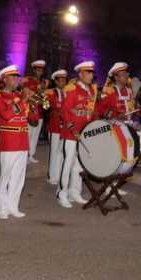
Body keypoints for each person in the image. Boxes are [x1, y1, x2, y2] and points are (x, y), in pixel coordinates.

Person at [0, 65, 39, 219]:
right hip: (8, 142)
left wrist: (33, 105)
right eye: (12, 77)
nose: (16, 79)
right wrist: (23, 100)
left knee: (19, 177)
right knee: (5, 176)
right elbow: (6, 115)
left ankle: (13, 205)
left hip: (22, 141)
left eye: (17, 77)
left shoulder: (19, 96)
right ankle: (1, 207)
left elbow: (33, 120)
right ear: (4, 79)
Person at [57, 61, 97, 208]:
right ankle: (62, 194)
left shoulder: (91, 90)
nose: (91, 75)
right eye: (88, 73)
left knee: (79, 165)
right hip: (71, 133)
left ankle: (75, 192)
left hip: (85, 132)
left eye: (92, 73)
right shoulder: (71, 88)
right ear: (80, 74)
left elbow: (91, 112)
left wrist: (93, 128)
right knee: (67, 164)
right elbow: (65, 112)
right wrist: (73, 129)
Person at [21, 60, 49, 164]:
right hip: (30, 111)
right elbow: (25, 94)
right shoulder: (27, 80)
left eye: (41, 70)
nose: (39, 72)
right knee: (28, 134)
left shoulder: (45, 82)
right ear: (33, 70)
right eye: (37, 70)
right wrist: (37, 98)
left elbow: (45, 97)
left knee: (35, 135)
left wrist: (43, 97)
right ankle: (25, 155)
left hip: (40, 112)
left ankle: (31, 155)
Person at [46, 69, 67, 185]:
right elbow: (49, 107)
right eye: (61, 80)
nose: (63, 82)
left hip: (64, 127)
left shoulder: (67, 92)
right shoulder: (51, 92)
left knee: (61, 152)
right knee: (54, 152)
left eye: (64, 80)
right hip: (54, 126)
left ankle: (58, 174)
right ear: (56, 82)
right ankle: (51, 175)